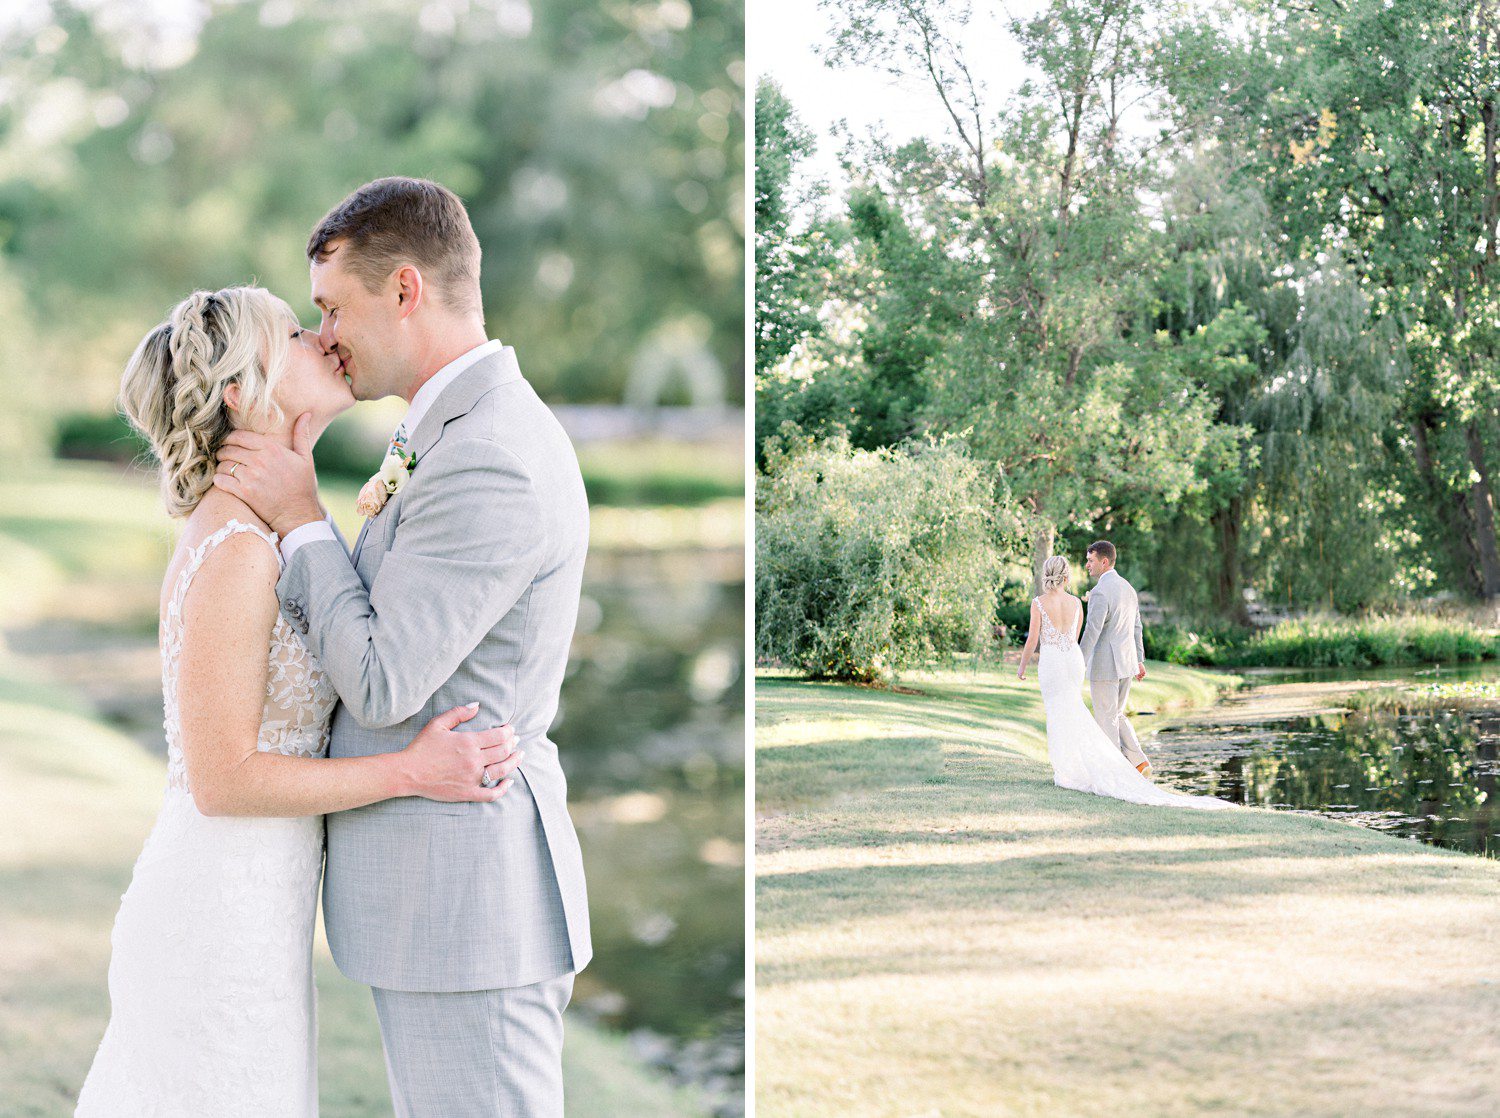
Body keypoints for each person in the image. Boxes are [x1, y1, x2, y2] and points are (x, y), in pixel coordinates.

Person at [76, 285, 521, 1117]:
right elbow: (224, 780)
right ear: (243, 390)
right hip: (216, 915)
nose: (321, 338)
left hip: (262, 910)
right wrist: (410, 771)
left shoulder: (271, 532)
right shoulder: (239, 551)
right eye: (293, 331)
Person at [215, 177, 592, 1117]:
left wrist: (302, 518)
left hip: (468, 908)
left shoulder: (490, 453)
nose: (327, 333)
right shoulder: (446, 431)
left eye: (333, 307)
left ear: (407, 290)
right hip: (439, 905)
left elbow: (384, 679)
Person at [1017, 553, 1231, 810]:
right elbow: (1130, 627)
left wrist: (1031, 666)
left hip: (1074, 663)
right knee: (1108, 714)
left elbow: (1073, 635)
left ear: (1104, 561)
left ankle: (1106, 770)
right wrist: (1138, 659)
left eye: (1091, 560)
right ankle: (1134, 761)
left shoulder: (1057, 599)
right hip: (1111, 662)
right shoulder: (1105, 595)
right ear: (1065, 575)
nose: (1088, 565)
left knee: (1086, 716)